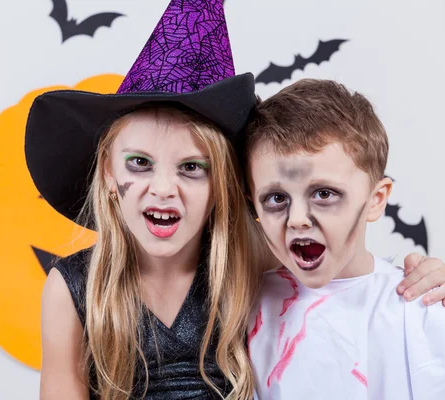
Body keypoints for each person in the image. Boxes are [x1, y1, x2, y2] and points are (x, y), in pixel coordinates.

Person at [26, 1, 268, 398]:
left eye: (191, 167)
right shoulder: (73, 290)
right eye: (140, 162)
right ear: (108, 173)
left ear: (221, 184)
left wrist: (406, 277)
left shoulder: (256, 266)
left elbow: (347, 290)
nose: (163, 189)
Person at [244, 79, 445, 399]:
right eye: (276, 199)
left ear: (376, 199)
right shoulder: (241, 310)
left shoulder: (424, 310)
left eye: (324, 193)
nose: (297, 219)